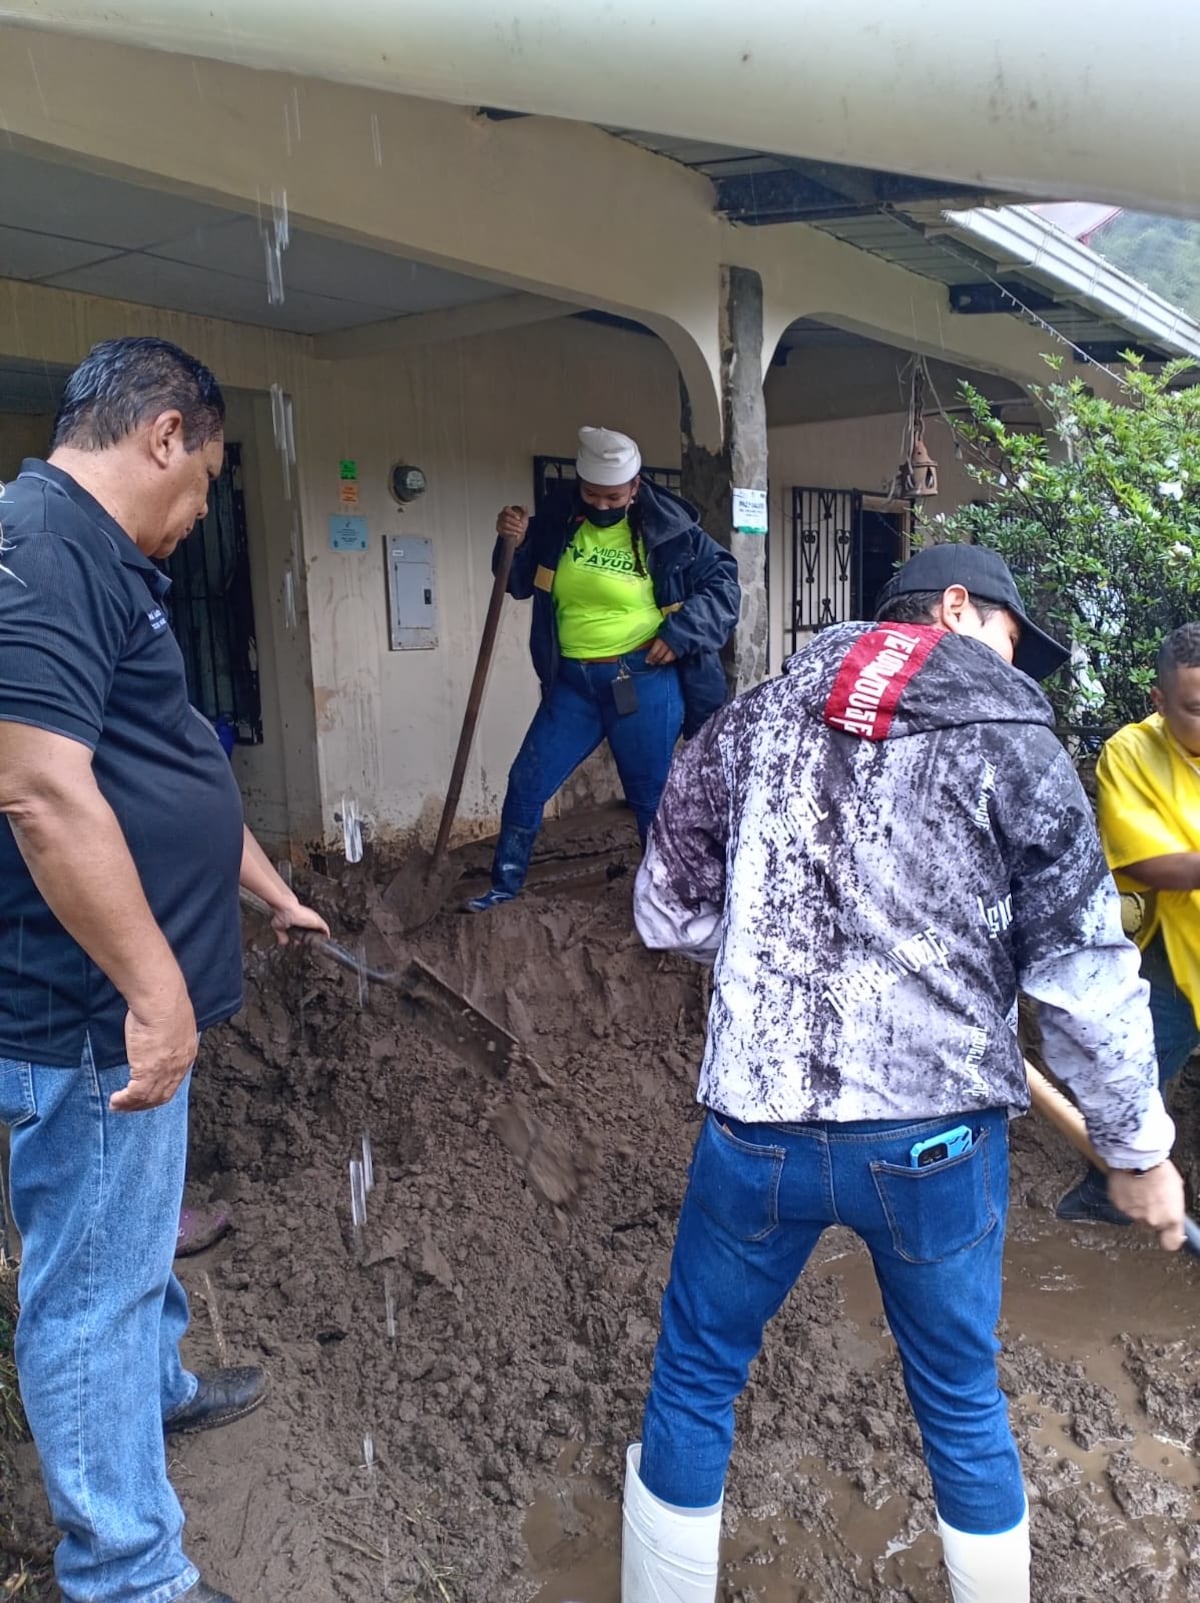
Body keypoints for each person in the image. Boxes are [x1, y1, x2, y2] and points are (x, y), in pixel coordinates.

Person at [624, 543, 1185, 1603]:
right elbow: (1082, 975)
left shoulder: (746, 720)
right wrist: (1141, 1149)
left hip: (758, 1127)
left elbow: (664, 910)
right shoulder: (1015, 741)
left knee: (694, 1382)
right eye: (1016, 642)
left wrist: (783, 949)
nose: (1021, 672)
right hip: (933, 1144)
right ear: (959, 607)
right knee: (963, 1404)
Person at [0, 337, 329, 1603]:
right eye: (205, 485)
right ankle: (127, 1570)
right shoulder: (36, 548)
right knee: (89, 1286)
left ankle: (159, 1392)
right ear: (166, 434)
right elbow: (37, 788)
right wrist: (153, 990)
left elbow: (164, 761)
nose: (199, 517)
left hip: (125, 1005)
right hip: (88, 1012)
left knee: (130, 1245)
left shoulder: (104, 561)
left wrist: (269, 889)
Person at [466, 426, 739, 911]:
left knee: (649, 799)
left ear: (635, 488)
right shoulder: (557, 520)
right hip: (573, 684)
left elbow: (723, 587)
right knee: (527, 782)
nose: (604, 504)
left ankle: (668, 901)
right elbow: (519, 582)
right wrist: (513, 542)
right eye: (593, 494)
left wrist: (679, 636)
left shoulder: (673, 532)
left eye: (615, 496)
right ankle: (504, 888)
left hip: (642, 681)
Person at [1057, 622, 1200, 1224]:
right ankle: (1106, 1193)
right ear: (1159, 702)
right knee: (1140, 1066)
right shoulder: (1130, 753)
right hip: (1171, 950)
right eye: (1195, 708)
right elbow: (1150, 862)